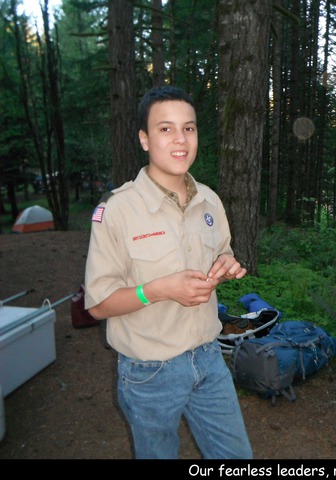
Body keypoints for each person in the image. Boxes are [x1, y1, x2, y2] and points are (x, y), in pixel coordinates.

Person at [84, 85, 253, 459]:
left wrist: (226, 265)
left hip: (209, 358)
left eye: (188, 128)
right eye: (166, 129)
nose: (181, 139)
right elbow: (97, 305)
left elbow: (222, 251)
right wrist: (158, 290)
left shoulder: (210, 200)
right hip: (149, 371)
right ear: (144, 139)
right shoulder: (117, 209)